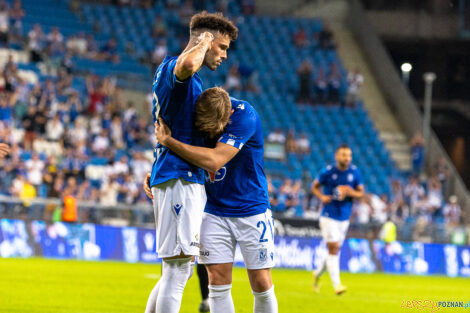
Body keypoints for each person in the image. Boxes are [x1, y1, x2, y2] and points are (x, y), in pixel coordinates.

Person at [143, 12, 238, 313]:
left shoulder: (183, 80)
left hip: (178, 178)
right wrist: (202, 44)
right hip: (181, 179)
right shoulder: (178, 69)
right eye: (220, 46)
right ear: (205, 40)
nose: (224, 54)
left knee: (174, 268)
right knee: (178, 270)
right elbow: (186, 63)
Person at [153, 89, 278, 313]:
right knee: (217, 282)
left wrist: (169, 141)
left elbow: (214, 161)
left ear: (228, 115)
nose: (211, 132)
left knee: (261, 281)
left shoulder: (244, 116)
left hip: (252, 209)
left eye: (217, 127)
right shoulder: (199, 113)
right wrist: (154, 171)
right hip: (212, 211)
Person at [311, 144, 364, 295]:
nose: (347, 158)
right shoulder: (328, 171)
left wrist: (349, 191)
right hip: (328, 215)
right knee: (333, 248)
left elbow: (361, 193)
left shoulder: (354, 172)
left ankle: (317, 274)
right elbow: (314, 186)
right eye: (343, 155)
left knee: (333, 251)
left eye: (349, 155)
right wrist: (322, 197)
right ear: (336, 156)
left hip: (344, 217)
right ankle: (337, 286)